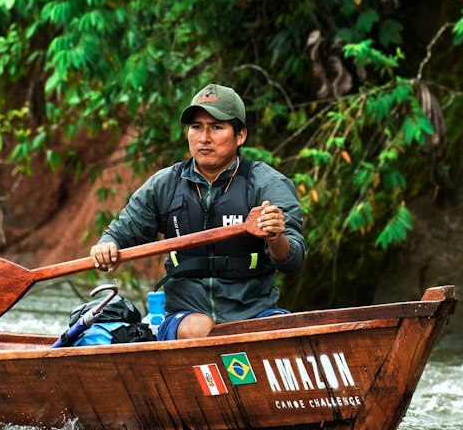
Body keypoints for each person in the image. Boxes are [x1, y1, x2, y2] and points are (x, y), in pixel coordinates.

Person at [90, 84, 306, 340]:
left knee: (282, 331)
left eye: (216, 127)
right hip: (185, 315)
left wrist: (276, 237)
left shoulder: (268, 184)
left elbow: (294, 261)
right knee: (199, 327)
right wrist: (105, 246)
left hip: (255, 312)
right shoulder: (165, 184)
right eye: (196, 127)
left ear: (240, 135)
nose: (204, 138)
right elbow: (119, 234)